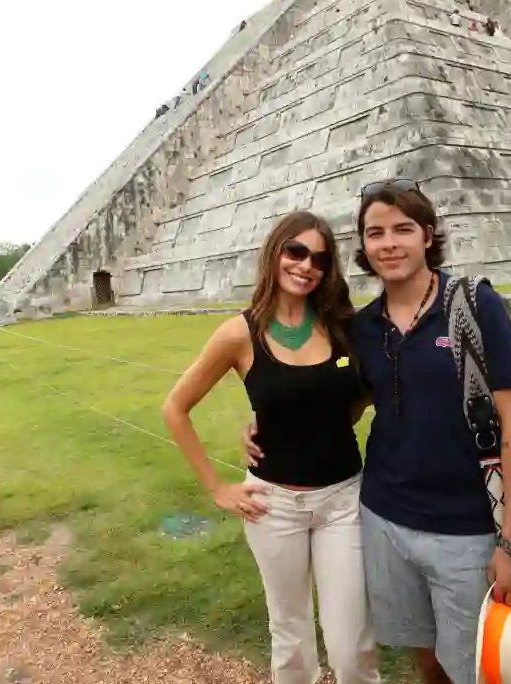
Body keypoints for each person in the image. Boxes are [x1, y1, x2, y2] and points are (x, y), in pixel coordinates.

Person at [246, 182, 511, 684]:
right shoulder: (363, 328)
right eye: (375, 232)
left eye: (403, 229)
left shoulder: (473, 306)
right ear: (364, 247)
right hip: (383, 518)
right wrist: (271, 421)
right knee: (425, 655)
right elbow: (347, 404)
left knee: (475, 664)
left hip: (464, 525)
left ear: (428, 235)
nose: (389, 243)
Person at [162, 210, 381, 684]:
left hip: (342, 501)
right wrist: (217, 487)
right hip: (272, 506)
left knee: (351, 645)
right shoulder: (239, 333)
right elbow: (175, 408)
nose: (306, 265)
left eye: (319, 258)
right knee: (290, 638)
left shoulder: (342, 325)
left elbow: (361, 397)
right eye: (295, 251)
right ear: (275, 252)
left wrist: (291, 418)